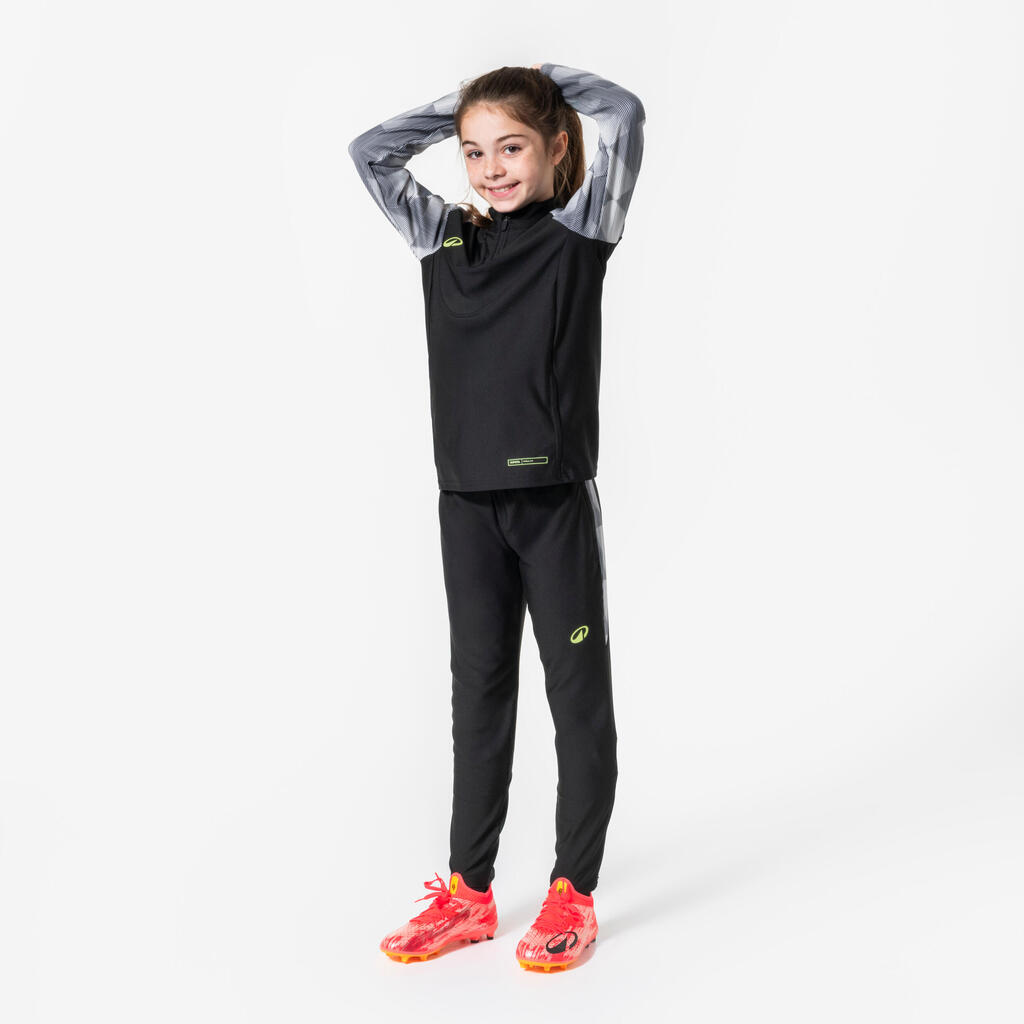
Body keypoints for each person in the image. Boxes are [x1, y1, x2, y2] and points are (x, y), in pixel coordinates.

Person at [347, 62, 645, 971]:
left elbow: (624, 112)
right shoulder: (443, 235)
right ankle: (469, 895)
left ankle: (572, 892)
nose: (490, 168)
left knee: (575, 700)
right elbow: (370, 152)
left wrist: (542, 80)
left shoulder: (581, 231)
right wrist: (465, 105)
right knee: (477, 698)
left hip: (552, 504)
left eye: (511, 147)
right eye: (473, 152)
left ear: (554, 147)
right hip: (466, 507)